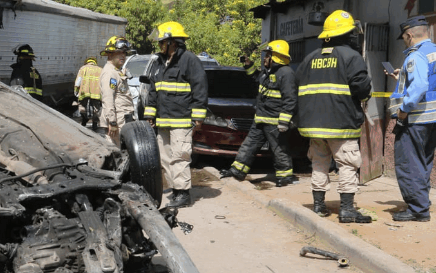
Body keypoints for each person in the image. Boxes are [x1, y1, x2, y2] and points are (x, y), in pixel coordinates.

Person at [294, 10, 372, 223]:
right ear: (347, 35)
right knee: (347, 164)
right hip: (341, 124)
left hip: (313, 125)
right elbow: (362, 88)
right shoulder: (351, 57)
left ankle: (318, 206)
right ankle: (346, 209)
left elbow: (296, 86)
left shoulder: (309, 58)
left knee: (319, 163)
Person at [143, 21, 208, 208]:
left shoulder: (189, 60)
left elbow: (200, 89)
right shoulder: (159, 62)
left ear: (173, 42)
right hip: (163, 120)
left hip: (181, 119)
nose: (159, 45)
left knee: (180, 156)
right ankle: (176, 188)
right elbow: (153, 90)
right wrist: (150, 115)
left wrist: (198, 118)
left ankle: (183, 193)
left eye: (162, 42)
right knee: (164, 157)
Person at [219, 40, 298, 186]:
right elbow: (256, 77)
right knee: (249, 145)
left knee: (279, 149)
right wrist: (248, 65)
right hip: (261, 118)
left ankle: (285, 176)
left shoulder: (286, 74)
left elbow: (290, 99)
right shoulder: (268, 73)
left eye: (268, 55)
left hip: (274, 120)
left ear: (276, 57)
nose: (265, 58)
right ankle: (238, 170)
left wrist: (284, 121)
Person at [385, 15, 436, 222]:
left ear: (409, 35)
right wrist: (401, 78)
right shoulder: (433, 51)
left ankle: (418, 210)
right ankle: (422, 202)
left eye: (405, 38)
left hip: (416, 119)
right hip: (432, 119)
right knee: (423, 162)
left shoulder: (416, 56)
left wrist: (404, 110)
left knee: (409, 163)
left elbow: (421, 86)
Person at [99, 36, 136, 146]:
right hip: (116, 122)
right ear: (110, 54)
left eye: (124, 53)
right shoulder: (109, 73)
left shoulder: (116, 71)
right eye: (119, 52)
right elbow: (108, 98)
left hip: (123, 119)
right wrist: (112, 122)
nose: (123, 56)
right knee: (116, 152)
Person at [74, 56, 103, 130]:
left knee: (82, 107)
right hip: (96, 94)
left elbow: (78, 82)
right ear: (95, 63)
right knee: (96, 109)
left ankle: (84, 121)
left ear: (87, 62)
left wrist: (76, 91)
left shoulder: (83, 68)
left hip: (84, 93)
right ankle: (95, 123)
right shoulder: (100, 70)